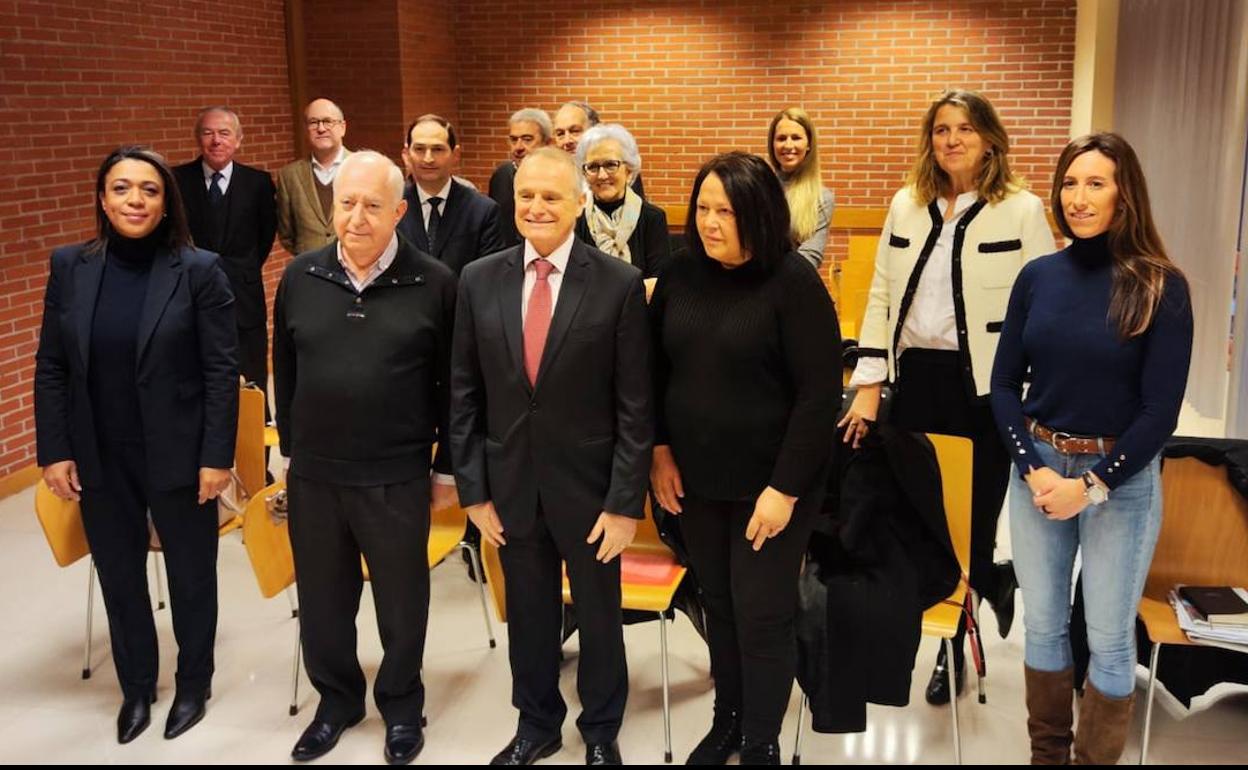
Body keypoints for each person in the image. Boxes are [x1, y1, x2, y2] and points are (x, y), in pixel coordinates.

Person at [839, 89, 1056, 706]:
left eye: (964, 128)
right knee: (911, 519)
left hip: (985, 390)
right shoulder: (906, 205)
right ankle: (933, 619)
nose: (951, 140)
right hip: (913, 385)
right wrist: (870, 384)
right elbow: (880, 294)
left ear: (989, 138)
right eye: (940, 129)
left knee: (970, 527)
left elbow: (1042, 306)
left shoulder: (1021, 210)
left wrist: (1033, 396)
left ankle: (954, 646)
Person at [990, 132, 1192, 765]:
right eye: (1070, 183)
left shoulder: (1161, 285)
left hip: (1121, 483)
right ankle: (1047, 756)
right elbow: (1001, 386)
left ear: (1124, 193)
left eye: (1095, 183)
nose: (1077, 198)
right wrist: (1033, 469)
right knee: (1044, 626)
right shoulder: (1037, 278)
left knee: (1107, 640)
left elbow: (1161, 411)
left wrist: (1092, 484)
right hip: (1041, 475)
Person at [451, 147, 652, 766]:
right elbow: (463, 392)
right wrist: (473, 492)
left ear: (580, 203)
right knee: (530, 618)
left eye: (551, 197)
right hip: (510, 486)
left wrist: (624, 505)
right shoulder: (478, 279)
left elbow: (635, 407)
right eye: (526, 197)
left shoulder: (616, 283)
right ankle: (536, 724)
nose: (537, 208)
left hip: (590, 490)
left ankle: (599, 731)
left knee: (597, 619)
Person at [34, 146, 238, 744]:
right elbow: (51, 365)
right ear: (102, 198)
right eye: (122, 188)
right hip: (100, 451)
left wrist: (216, 457)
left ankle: (194, 682)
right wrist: (55, 448)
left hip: (179, 450)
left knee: (191, 573)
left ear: (165, 201)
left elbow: (221, 371)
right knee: (120, 575)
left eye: (149, 190)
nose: (135, 200)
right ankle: (137, 688)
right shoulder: (70, 265)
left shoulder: (199, 269)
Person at [649, 151, 840, 765]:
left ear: (757, 213)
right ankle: (727, 721)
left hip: (773, 486)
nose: (709, 223)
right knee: (720, 606)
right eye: (702, 209)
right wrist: (658, 452)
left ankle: (761, 738)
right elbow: (653, 372)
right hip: (698, 481)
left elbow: (818, 398)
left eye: (724, 211)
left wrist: (784, 489)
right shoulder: (680, 275)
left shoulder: (793, 284)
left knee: (761, 614)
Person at [272, 151, 458, 765]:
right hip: (317, 476)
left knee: (402, 602)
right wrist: (291, 454)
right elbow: (287, 370)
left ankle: (402, 706)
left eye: (373, 205)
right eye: (346, 203)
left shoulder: (434, 283)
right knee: (324, 601)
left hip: (395, 475)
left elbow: (454, 387)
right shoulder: (301, 276)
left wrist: (446, 466)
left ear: (399, 211)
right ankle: (338, 700)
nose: (356, 217)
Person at [174, 106, 277, 409]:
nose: (216, 140)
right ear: (198, 139)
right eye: (208, 133)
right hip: (192, 297)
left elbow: (264, 236)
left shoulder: (258, 183)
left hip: (244, 298)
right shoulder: (177, 180)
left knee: (253, 382)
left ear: (238, 139)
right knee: (201, 381)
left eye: (224, 133)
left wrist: (240, 270)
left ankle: (257, 451)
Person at [572, 124, 669, 298]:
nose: (602, 175)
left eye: (611, 165)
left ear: (629, 170)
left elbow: (660, 282)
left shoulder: (652, 218)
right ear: (584, 174)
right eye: (593, 167)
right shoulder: (576, 218)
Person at [399, 114, 504, 275]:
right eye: (419, 149)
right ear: (406, 154)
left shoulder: (483, 211)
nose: (428, 159)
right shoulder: (392, 208)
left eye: (437, 149)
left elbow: (489, 278)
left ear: (455, 155)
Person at [276, 98, 351, 256]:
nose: (321, 128)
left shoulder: (364, 168)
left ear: (342, 127)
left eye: (327, 121)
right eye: (313, 122)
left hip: (357, 270)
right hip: (310, 272)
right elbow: (286, 234)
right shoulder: (289, 176)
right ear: (306, 129)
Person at [766, 107, 835, 271]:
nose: (788, 145)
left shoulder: (822, 198)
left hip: (793, 286)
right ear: (772, 144)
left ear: (809, 144)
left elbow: (810, 258)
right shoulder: (758, 187)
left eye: (796, 138)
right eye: (781, 138)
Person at [488, 108, 552, 249]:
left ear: (547, 143)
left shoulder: (559, 178)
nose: (518, 147)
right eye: (513, 139)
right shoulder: (501, 176)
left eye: (527, 140)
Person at [554, 101, 645, 197]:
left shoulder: (621, 169)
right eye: (560, 134)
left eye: (575, 131)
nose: (567, 141)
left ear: (595, 130)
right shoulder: (551, 175)